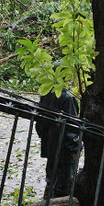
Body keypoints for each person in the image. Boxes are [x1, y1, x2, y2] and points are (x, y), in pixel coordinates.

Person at [36, 66, 82, 198]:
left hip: (50, 147)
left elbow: (39, 123)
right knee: (65, 182)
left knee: (51, 178)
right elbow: (72, 128)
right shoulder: (67, 97)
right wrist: (75, 148)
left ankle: (47, 205)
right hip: (65, 150)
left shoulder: (46, 94)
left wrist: (45, 140)